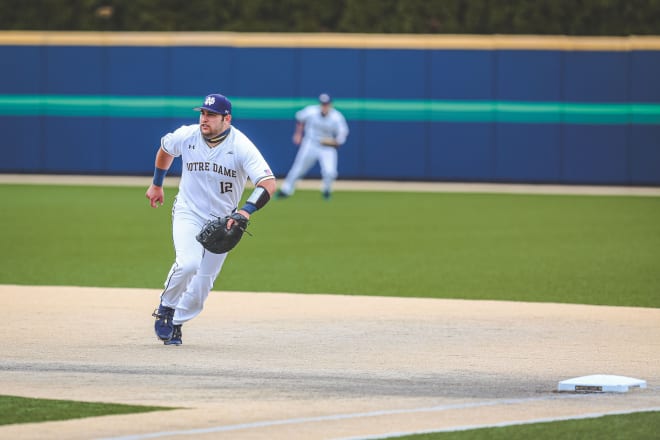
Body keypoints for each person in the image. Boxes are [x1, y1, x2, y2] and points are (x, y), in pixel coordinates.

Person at [145, 93, 276, 346]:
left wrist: (245, 211)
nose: (204, 119)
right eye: (202, 113)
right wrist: (156, 184)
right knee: (188, 264)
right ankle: (166, 308)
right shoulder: (187, 135)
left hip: (223, 221)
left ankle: (176, 322)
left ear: (227, 118)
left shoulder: (241, 145)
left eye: (211, 115)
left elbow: (267, 183)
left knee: (200, 291)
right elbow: (165, 149)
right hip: (188, 212)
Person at [275, 93, 349, 200]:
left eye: (326, 104)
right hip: (311, 143)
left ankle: (326, 191)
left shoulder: (336, 117)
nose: (324, 106)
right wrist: (298, 134)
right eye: (323, 104)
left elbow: (343, 133)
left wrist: (335, 142)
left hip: (327, 147)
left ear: (330, 105)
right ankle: (286, 190)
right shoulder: (311, 111)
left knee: (330, 172)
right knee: (298, 168)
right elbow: (300, 118)